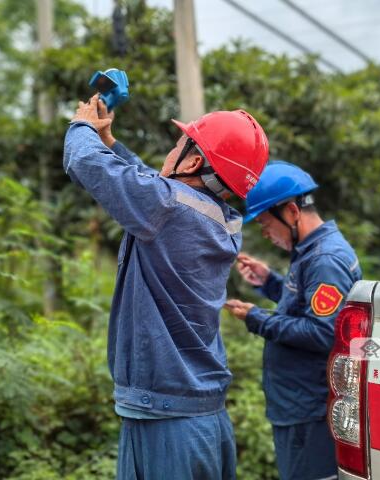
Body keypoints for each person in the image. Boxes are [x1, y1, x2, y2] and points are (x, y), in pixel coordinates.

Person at [63, 94, 269, 479]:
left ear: (192, 161)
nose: (171, 149)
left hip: (166, 422)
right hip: (204, 419)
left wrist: (82, 126)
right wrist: (111, 144)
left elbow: (84, 161)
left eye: (179, 144)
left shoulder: (168, 208)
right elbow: (154, 187)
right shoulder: (223, 221)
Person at [224, 161, 362, 480]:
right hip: (298, 406)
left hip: (309, 410)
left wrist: (256, 319)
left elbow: (321, 332)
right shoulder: (310, 252)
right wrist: (269, 282)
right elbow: (308, 307)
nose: (266, 234)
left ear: (290, 212)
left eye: (264, 224)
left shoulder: (324, 260)